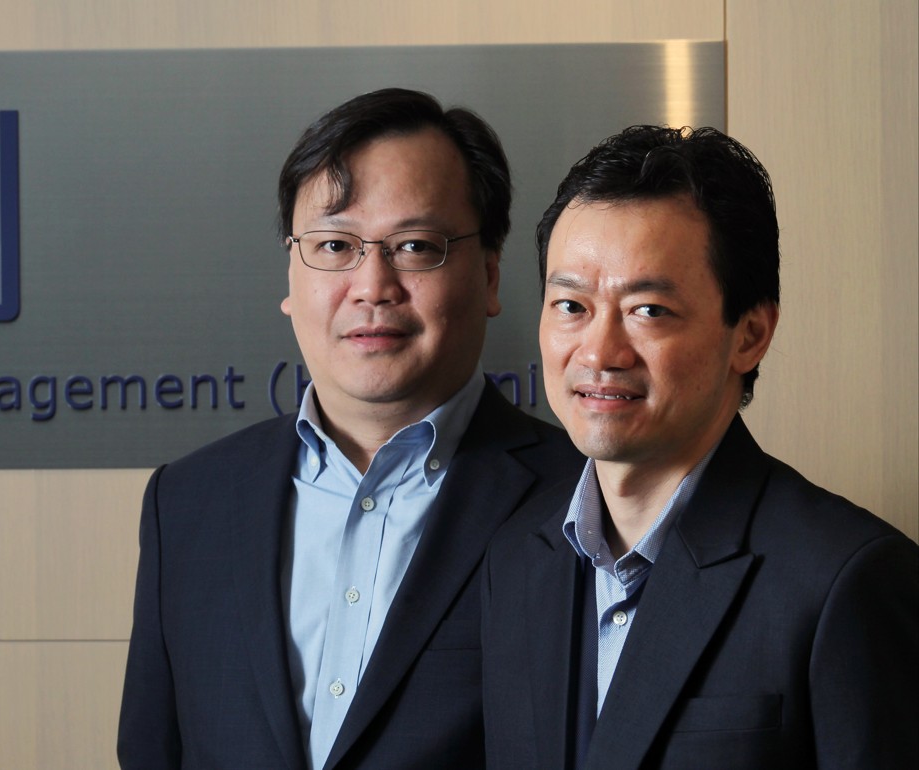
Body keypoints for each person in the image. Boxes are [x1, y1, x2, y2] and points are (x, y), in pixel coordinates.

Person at [118, 88, 580, 769]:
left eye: (416, 246)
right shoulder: (186, 505)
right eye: (334, 244)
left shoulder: (582, 503)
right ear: (290, 272)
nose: (372, 285)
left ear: (488, 275)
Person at [480, 124, 919, 769]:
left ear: (750, 334)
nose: (600, 353)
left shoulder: (846, 582)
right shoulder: (514, 560)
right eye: (570, 305)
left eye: (649, 310)